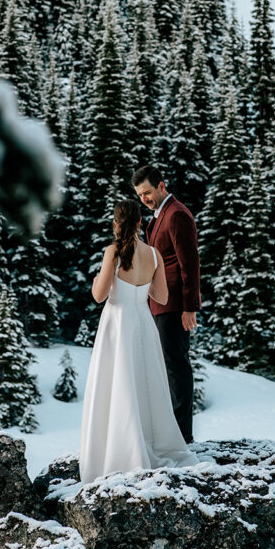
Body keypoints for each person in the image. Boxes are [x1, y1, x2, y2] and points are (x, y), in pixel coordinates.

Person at [79, 199, 198, 484]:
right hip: (143, 322)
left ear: (116, 224)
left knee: (117, 383)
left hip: (117, 323)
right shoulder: (154, 253)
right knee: (144, 384)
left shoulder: (113, 252)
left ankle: (118, 449)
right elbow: (162, 298)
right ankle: (147, 441)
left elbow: (99, 294)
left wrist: (100, 276)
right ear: (140, 224)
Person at [132, 164, 200, 445]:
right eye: (140, 195)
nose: (144, 199)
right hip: (161, 302)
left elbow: (190, 263)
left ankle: (183, 435)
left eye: (147, 192)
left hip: (174, 304)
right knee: (167, 365)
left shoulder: (176, 215)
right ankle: (173, 431)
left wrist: (189, 307)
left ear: (162, 185)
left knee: (176, 365)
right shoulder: (160, 216)